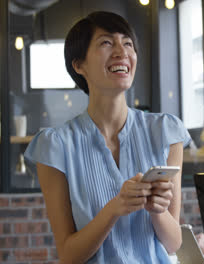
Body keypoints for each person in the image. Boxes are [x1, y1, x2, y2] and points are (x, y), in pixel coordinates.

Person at [24, 11, 191, 264]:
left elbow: (173, 244)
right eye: (106, 42)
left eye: (128, 43)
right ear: (79, 65)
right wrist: (115, 208)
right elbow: (69, 255)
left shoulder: (166, 132)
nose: (121, 52)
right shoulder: (55, 146)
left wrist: (158, 211)